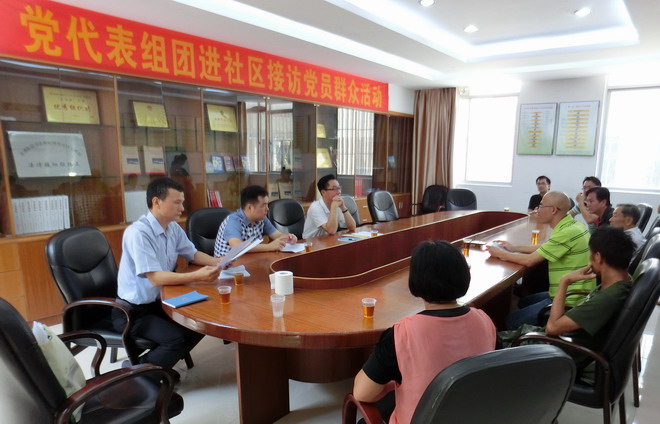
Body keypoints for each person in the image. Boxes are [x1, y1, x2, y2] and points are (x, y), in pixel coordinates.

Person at [352, 240, 496, 424]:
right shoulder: (485, 320)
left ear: (415, 280)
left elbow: (362, 393)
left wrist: (393, 384)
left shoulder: (402, 334)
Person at [113, 177, 222, 369]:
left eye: (182, 202)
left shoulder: (172, 228)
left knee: (201, 323)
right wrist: (197, 276)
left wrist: (219, 262)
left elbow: (192, 253)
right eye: (177, 202)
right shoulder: (138, 233)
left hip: (161, 301)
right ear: (156, 202)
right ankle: (138, 370)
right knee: (176, 338)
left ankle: (155, 366)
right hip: (132, 312)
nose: (182, 208)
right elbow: (155, 278)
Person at [487, 191, 596, 329]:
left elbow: (529, 261)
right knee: (523, 302)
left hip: (570, 299)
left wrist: (500, 253)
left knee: (510, 321)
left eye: (541, 206)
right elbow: (547, 247)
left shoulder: (566, 232)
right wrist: (514, 248)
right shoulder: (574, 225)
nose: (537, 210)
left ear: (553, 210)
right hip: (574, 292)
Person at [544, 226, 635, 371]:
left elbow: (552, 328)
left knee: (507, 339)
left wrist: (564, 281)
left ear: (598, 257)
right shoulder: (623, 281)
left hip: (559, 355)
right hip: (565, 345)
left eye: (590, 254)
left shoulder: (608, 298)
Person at [213, 185, 297, 257]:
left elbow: (277, 235)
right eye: (264, 205)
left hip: (248, 260)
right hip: (227, 266)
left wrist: (288, 237)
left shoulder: (262, 219)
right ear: (250, 207)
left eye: (267, 205)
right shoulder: (233, 221)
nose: (267, 209)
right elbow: (237, 246)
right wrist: (269, 247)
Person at [302, 174, 357, 239]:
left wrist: (343, 207)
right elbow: (331, 230)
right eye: (334, 189)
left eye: (339, 188)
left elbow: (352, 227)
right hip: (312, 242)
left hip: (328, 239)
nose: (339, 192)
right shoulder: (315, 207)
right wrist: (334, 206)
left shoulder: (337, 203)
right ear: (323, 192)